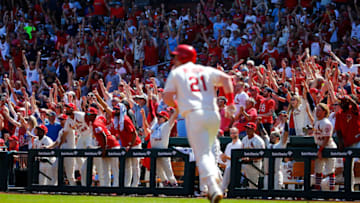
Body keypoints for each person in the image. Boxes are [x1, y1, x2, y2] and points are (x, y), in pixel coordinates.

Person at [163, 44, 235, 202]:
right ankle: (214, 183)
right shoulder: (205, 70)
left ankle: (214, 187)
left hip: (195, 115)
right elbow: (226, 79)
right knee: (207, 153)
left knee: (202, 154)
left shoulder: (177, 73)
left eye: (176, 56)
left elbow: (167, 97)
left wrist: (177, 106)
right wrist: (230, 102)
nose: (174, 59)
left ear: (182, 57)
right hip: (213, 116)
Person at [142, 109, 178, 186]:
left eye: (161, 116)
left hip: (163, 151)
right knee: (158, 170)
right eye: (158, 116)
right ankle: (166, 185)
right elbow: (147, 131)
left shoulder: (166, 126)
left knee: (168, 170)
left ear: (165, 118)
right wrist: (143, 117)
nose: (158, 117)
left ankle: (174, 185)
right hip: (154, 151)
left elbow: (173, 118)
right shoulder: (155, 126)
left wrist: (177, 108)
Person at [335, 96, 360, 191]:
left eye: (344, 102)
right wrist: (341, 142)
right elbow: (338, 130)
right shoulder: (339, 114)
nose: (342, 103)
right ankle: (350, 191)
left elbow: (356, 106)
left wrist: (349, 99)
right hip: (347, 143)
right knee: (348, 168)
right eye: (341, 102)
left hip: (358, 140)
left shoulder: (353, 110)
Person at [313, 103, 337, 191]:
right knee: (318, 170)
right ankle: (317, 191)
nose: (317, 112)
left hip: (328, 147)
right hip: (320, 146)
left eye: (319, 110)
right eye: (316, 110)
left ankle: (331, 192)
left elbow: (327, 138)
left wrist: (320, 150)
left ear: (324, 112)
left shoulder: (326, 123)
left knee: (330, 170)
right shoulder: (317, 122)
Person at [47, 114, 76, 186]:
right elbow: (57, 142)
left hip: (69, 154)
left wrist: (59, 146)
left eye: (62, 120)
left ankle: (75, 189)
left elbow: (62, 140)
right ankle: (54, 186)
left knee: (70, 175)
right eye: (60, 120)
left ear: (66, 120)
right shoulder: (61, 130)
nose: (61, 121)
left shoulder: (70, 129)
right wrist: (48, 147)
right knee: (54, 167)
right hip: (61, 153)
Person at [241, 122, 265, 189]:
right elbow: (241, 151)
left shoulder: (259, 140)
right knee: (248, 182)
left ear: (254, 129)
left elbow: (262, 154)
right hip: (246, 164)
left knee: (254, 182)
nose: (247, 130)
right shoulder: (244, 139)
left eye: (249, 129)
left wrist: (251, 158)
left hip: (255, 163)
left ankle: (254, 196)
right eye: (246, 128)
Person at [221, 127, 242, 194]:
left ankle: (222, 190)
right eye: (232, 133)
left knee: (228, 169)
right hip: (227, 164)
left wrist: (226, 157)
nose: (233, 134)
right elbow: (224, 158)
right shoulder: (229, 145)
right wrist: (223, 158)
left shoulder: (240, 144)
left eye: (234, 133)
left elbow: (237, 158)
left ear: (238, 133)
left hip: (236, 166)